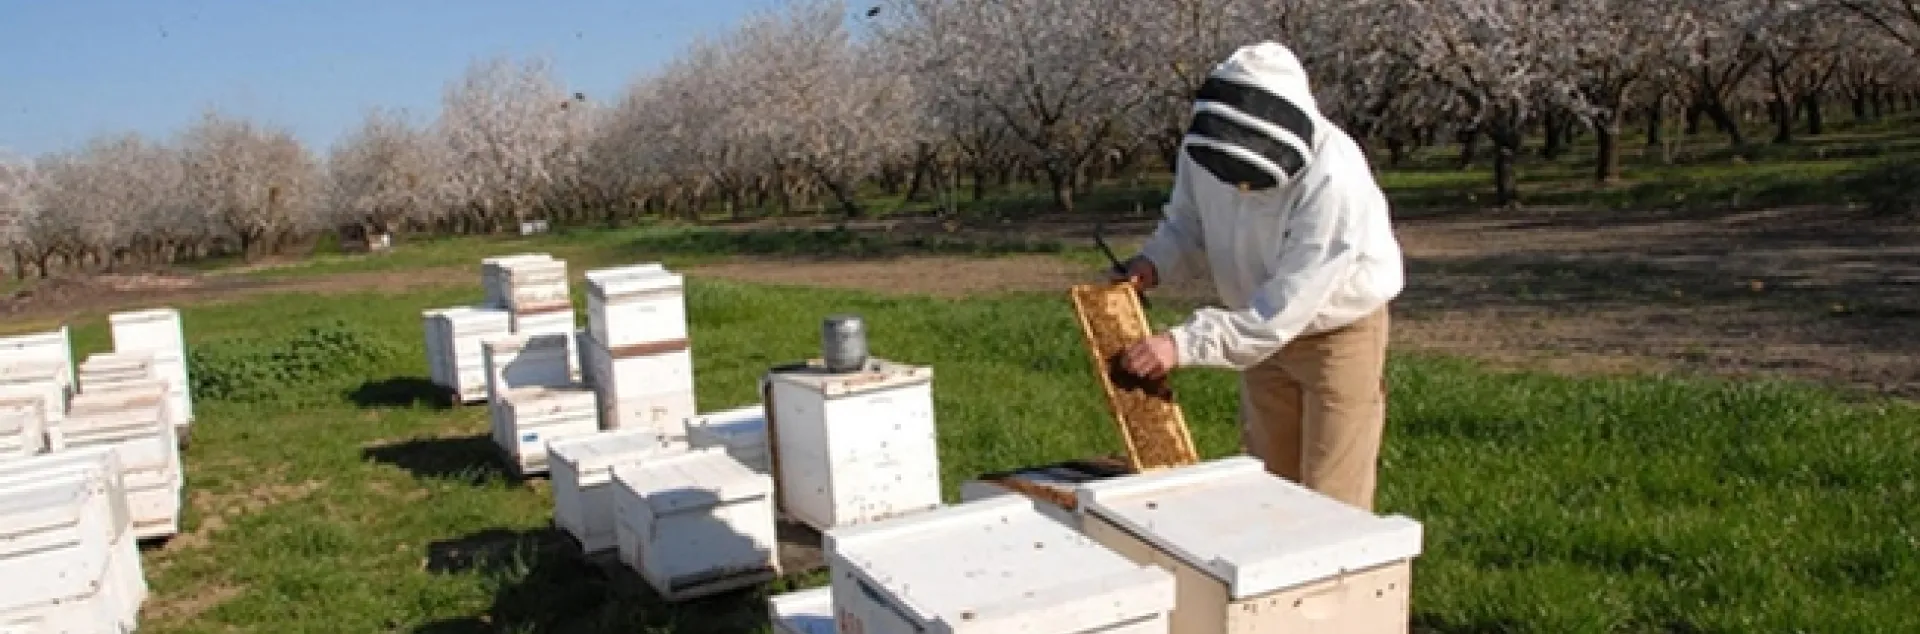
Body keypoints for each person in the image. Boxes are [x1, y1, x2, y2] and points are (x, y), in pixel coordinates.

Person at [1112, 41, 1405, 512]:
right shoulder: (1204, 148)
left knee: (1335, 502)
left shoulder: (1334, 177)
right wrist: (1152, 263)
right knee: (1269, 489)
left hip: (1336, 334)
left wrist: (1182, 343)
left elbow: (1285, 309)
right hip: (1253, 327)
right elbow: (1186, 222)